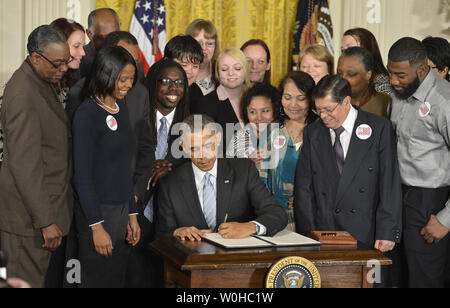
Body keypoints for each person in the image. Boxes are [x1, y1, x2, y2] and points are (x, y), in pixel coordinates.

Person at [0, 25, 74, 288]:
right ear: (35, 58)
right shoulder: (22, 93)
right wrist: (45, 221)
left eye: (66, 61)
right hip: (28, 223)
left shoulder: (41, 81)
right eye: (57, 63)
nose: (64, 68)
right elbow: (25, 165)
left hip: (41, 215)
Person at [294, 75, 402, 253]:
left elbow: (389, 183)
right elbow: (304, 188)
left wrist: (387, 231)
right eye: (318, 110)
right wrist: (308, 233)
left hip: (367, 231)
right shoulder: (313, 133)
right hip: (324, 233)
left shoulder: (379, 128)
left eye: (328, 110)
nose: (323, 116)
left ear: (346, 101)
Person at [72, 46, 141, 288]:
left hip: (121, 210)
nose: (128, 85)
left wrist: (132, 215)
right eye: (122, 79)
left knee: (115, 280)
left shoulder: (120, 106)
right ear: (105, 74)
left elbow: (124, 169)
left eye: (132, 78)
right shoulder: (86, 114)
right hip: (97, 213)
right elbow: (81, 176)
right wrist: (96, 226)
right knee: (95, 281)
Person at [156, 114, 288, 240]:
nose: (203, 156)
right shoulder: (169, 184)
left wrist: (250, 227)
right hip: (192, 259)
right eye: (194, 149)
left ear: (218, 139)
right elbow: (162, 232)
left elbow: (277, 214)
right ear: (183, 147)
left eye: (208, 145)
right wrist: (176, 232)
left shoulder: (243, 170)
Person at [388, 37, 450, 288]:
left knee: (423, 280)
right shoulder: (397, 91)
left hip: (430, 203)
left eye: (400, 75)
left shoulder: (444, 101)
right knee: (396, 276)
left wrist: (446, 219)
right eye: (391, 73)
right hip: (396, 197)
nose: (393, 81)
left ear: (422, 70)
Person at [199, 47, 251, 152]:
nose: (231, 73)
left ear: (245, 71)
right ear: (218, 73)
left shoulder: (255, 98)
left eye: (237, 68)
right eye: (224, 69)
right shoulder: (206, 104)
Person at [337, 47, 390, 118]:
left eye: (351, 74)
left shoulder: (384, 103)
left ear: (368, 75)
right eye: (339, 73)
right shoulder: (331, 101)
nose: (343, 79)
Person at [341, 28, 392, 95]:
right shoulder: (341, 82)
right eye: (342, 50)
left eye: (350, 49)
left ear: (367, 49)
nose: (344, 55)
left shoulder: (382, 85)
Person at [163, 35, 205, 114]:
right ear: (166, 62)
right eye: (184, 65)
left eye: (195, 66)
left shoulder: (196, 92)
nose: (190, 71)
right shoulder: (150, 91)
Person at [79, 8, 120, 79]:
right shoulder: (79, 61)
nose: (113, 42)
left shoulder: (128, 56)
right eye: (106, 38)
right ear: (90, 34)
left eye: (116, 35)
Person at [50, 18, 86, 90]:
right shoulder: (39, 84)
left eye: (83, 46)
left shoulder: (74, 75)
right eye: (76, 46)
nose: (83, 53)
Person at [186, 19, 219, 96]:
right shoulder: (178, 72)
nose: (204, 48)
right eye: (198, 43)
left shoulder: (222, 72)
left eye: (209, 43)